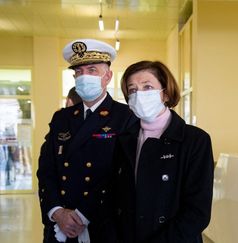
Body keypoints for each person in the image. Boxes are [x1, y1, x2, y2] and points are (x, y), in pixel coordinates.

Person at [37, 39, 134, 243]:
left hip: (102, 224)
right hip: (61, 228)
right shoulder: (61, 118)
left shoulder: (125, 116)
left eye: (92, 70)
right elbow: (47, 169)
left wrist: (81, 215)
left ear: (107, 76)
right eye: (79, 72)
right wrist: (57, 212)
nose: (84, 77)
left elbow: (123, 176)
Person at [113, 60, 214, 242]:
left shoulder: (195, 140)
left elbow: (197, 211)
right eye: (133, 90)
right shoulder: (124, 139)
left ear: (165, 94)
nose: (139, 95)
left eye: (147, 87)